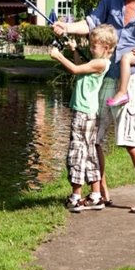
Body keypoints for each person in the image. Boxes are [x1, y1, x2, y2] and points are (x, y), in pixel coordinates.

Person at [53, 0, 135, 213]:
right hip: (104, 77)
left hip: (131, 78)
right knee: (94, 138)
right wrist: (66, 26)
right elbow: (91, 23)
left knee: (129, 139)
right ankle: (100, 194)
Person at [49, 24, 117, 212]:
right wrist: (74, 51)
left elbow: (74, 70)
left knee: (77, 152)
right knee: (89, 153)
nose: (90, 48)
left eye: (94, 45)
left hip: (83, 113)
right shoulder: (98, 62)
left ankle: (75, 198)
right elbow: (81, 68)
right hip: (89, 113)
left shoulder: (100, 63)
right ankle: (95, 196)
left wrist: (58, 56)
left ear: (106, 48)